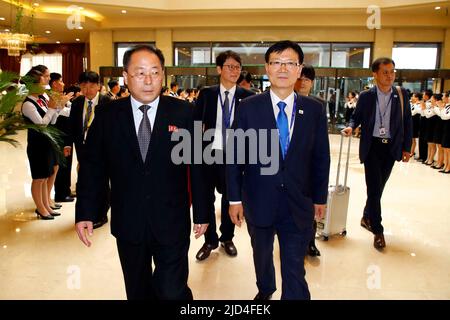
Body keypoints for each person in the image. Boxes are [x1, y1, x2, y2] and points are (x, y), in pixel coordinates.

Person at [74, 45, 209, 300]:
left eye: (155, 72)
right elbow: (93, 168)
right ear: (126, 77)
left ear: (163, 75)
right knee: (138, 291)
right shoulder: (107, 116)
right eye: (140, 73)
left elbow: (199, 167)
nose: (148, 80)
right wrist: (86, 212)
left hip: (171, 220)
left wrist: (201, 212)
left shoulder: (184, 113)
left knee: (172, 291)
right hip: (129, 221)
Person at [227, 40, 330, 300]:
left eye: (290, 63)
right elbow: (235, 156)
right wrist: (234, 198)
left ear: (299, 69)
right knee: (262, 255)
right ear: (267, 68)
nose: (283, 68)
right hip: (259, 199)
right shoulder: (249, 107)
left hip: (299, 201)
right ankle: (266, 289)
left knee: (294, 267)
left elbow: (321, 158)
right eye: (276, 62)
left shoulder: (315, 110)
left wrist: (320, 198)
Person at [342, 57, 412, 250]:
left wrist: (407, 148)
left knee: (379, 188)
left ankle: (366, 216)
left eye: (392, 72)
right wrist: (350, 127)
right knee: (373, 188)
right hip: (372, 147)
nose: (390, 76)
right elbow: (355, 117)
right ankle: (378, 230)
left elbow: (407, 121)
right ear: (375, 74)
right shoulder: (366, 96)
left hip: (391, 147)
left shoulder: (402, 94)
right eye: (385, 72)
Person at [194, 50, 254, 261]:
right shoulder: (207, 94)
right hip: (209, 154)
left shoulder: (248, 97)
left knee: (231, 198)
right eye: (230, 66)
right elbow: (196, 123)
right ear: (219, 69)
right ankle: (210, 240)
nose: (234, 71)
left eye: (237, 67)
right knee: (206, 198)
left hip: (235, 158)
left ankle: (227, 238)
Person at [21, 65, 69, 219]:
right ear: (36, 81)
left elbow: (52, 120)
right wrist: (51, 109)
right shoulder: (28, 104)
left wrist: (55, 108)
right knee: (39, 177)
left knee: (47, 175)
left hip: (48, 142)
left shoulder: (42, 99)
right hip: (37, 145)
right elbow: (41, 125)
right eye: (46, 77)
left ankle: (46, 205)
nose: (49, 79)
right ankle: (41, 208)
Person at [65, 71, 111, 229]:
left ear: (98, 86)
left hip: (102, 150)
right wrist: (67, 144)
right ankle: (87, 214)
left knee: (102, 182)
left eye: (91, 85)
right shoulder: (77, 103)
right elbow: (71, 126)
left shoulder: (107, 102)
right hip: (83, 149)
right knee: (85, 182)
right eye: (84, 85)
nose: (88, 88)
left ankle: (102, 214)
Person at [294, 64, 326, 257]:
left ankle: (310, 241)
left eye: (307, 79)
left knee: (310, 205)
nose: (303, 82)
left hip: (310, 165)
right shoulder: (287, 101)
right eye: (301, 78)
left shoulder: (318, 105)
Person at [51, 72, 75, 203]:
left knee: (67, 163)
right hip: (60, 134)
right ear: (54, 83)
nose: (63, 84)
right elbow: (62, 113)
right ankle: (60, 193)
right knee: (62, 163)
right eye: (61, 81)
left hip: (67, 134)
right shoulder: (52, 97)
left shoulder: (61, 96)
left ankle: (66, 190)